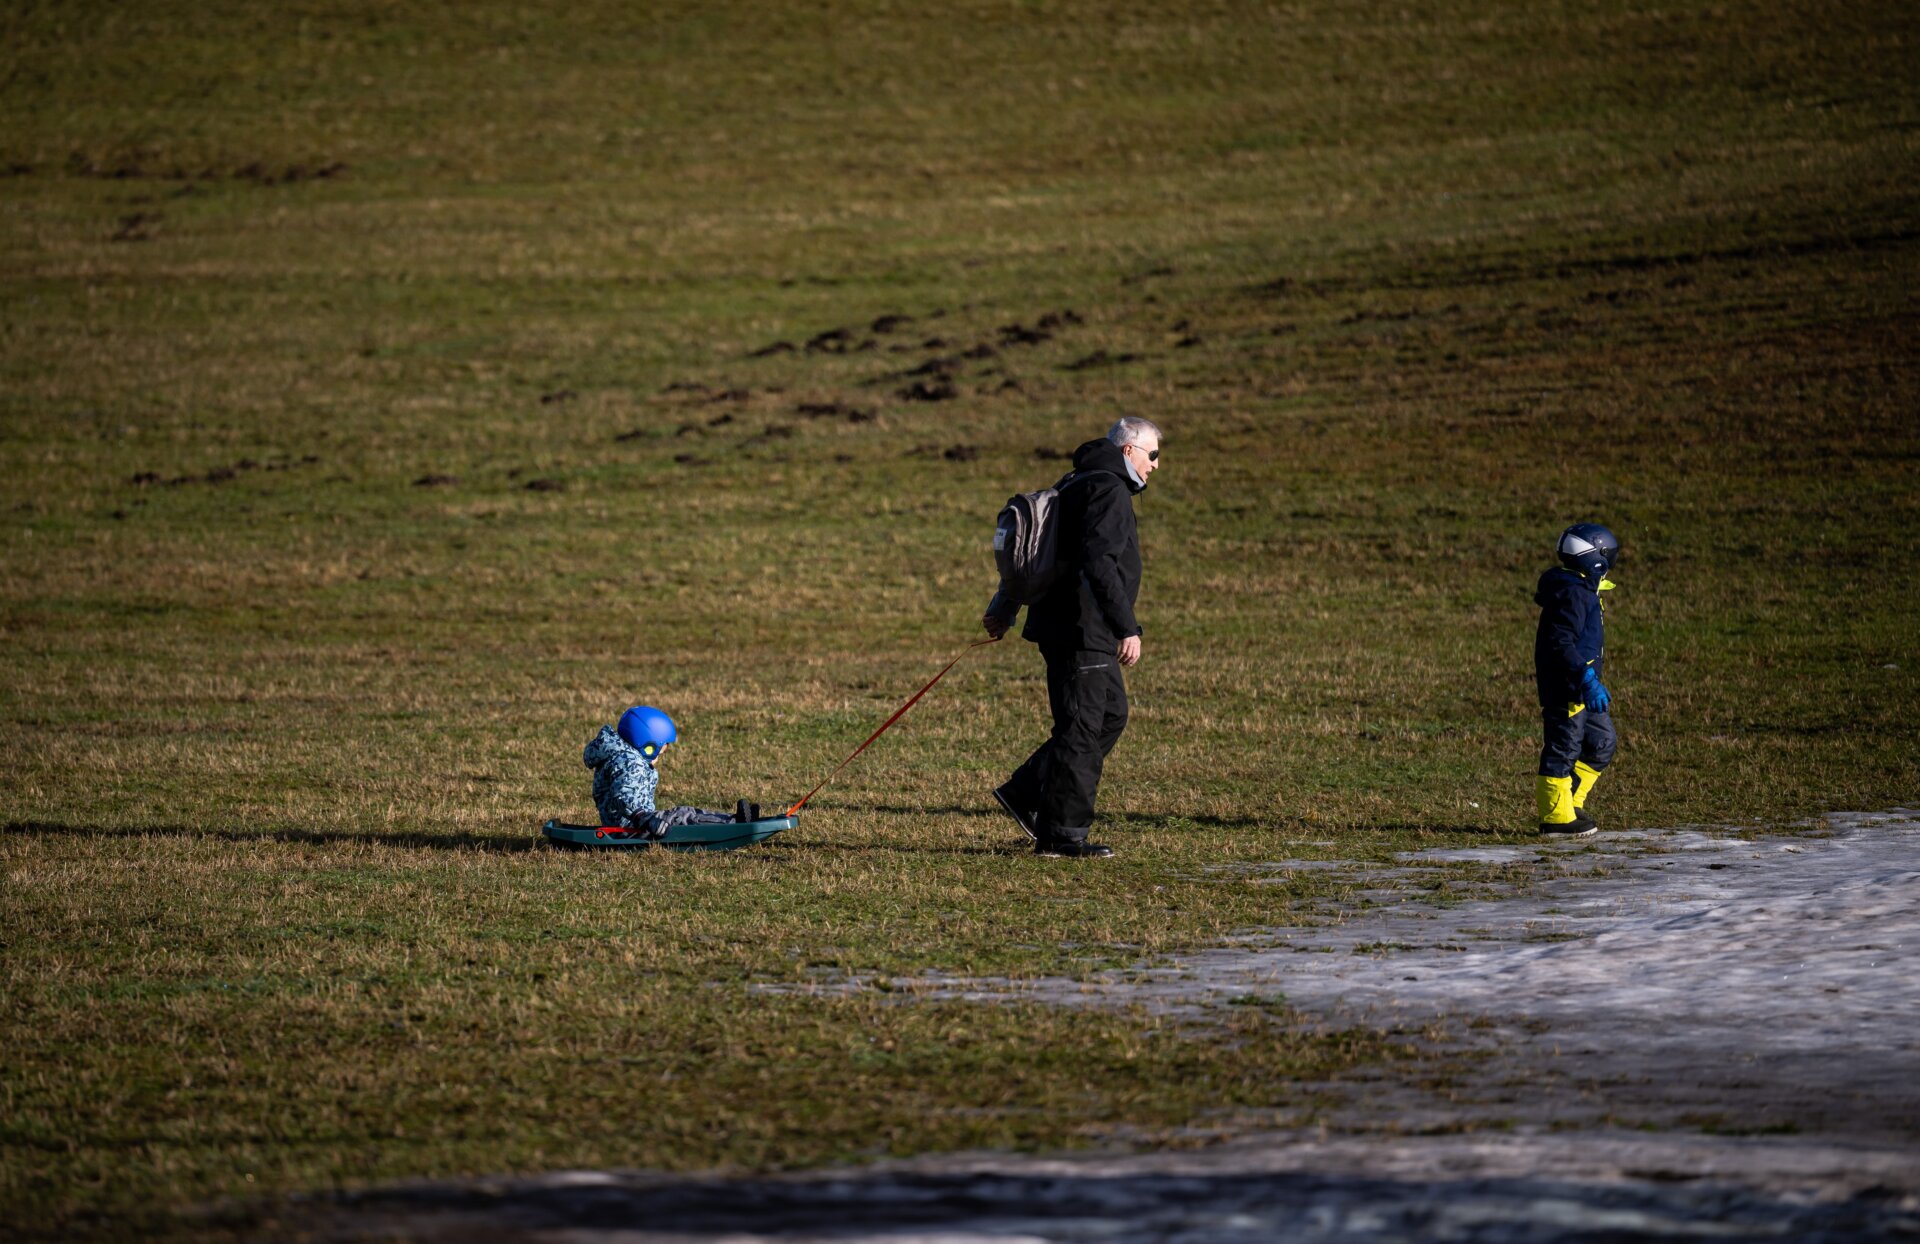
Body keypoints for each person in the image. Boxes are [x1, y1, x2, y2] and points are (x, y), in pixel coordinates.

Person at [982, 417, 1162, 858]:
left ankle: (1026, 792)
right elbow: (1099, 564)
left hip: (1069, 625)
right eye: (1152, 454)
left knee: (1109, 716)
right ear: (1128, 451)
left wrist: (1004, 607)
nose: (1156, 465)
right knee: (1082, 728)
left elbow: (1042, 550)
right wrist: (1127, 627)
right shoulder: (1107, 490)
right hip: (1083, 628)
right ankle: (1062, 835)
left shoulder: (1076, 480)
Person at [1533, 523, 1621, 836]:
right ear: (1597, 559)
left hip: (1584, 687)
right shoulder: (1574, 594)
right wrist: (1585, 677)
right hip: (1567, 687)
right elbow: (1560, 641)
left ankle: (1570, 801)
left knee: (1601, 743)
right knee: (1563, 748)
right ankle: (1556, 819)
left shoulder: (1583, 590)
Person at [583, 705, 760, 835]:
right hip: (631, 826)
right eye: (659, 752)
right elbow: (623, 795)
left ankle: (732, 820)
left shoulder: (623, 757)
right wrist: (644, 818)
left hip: (635, 820)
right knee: (683, 816)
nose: (660, 757)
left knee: (684, 814)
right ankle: (735, 824)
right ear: (646, 746)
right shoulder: (630, 763)